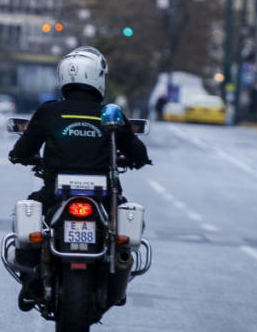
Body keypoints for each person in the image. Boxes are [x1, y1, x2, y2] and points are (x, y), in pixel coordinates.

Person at [8, 46, 152, 210]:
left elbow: (23, 149)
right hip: (104, 200)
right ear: (98, 76)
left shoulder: (50, 111)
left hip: (54, 196)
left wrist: (21, 156)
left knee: (28, 214)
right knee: (125, 217)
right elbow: (137, 152)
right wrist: (136, 160)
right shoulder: (110, 113)